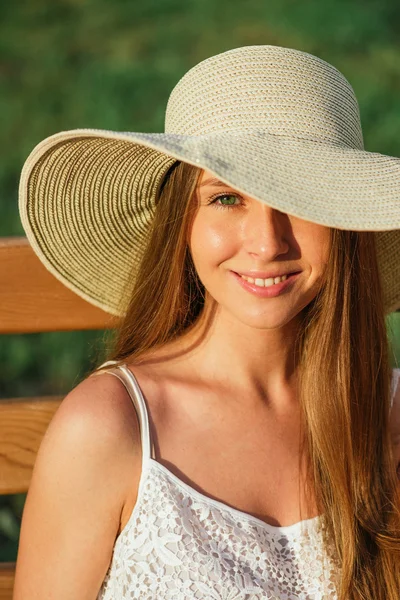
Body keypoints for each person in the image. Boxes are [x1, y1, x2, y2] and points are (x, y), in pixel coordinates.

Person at [13, 45, 400, 599]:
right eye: (226, 198)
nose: (268, 243)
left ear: (345, 225)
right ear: (182, 223)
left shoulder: (388, 414)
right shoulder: (109, 429)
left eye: (301, 200)